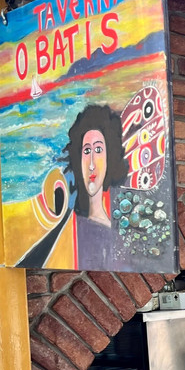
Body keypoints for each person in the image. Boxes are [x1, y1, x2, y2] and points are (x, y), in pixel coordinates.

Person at [66, 104, 126, 270]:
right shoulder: (69, 228)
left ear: (109, 157)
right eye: (87, 151)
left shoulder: (116, 233)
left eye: (98, 149)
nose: (91, 164)